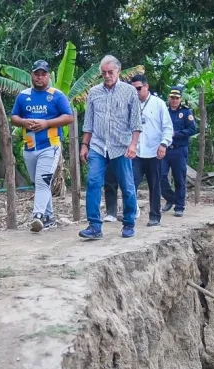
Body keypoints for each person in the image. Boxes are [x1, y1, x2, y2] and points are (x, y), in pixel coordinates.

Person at [78, 55, 142, 240]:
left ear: (118, 71)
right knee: (93, 182)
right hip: (98, 145)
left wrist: (133, 145)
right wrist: (84, 145)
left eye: (110, 72)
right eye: (104, 72)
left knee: (127, 186)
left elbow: (136, 123)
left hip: (121, 146)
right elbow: (88, 123)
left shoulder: (129, 92)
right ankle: (94, 226)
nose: (107, 75)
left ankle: (129, 223)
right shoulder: (94, 92)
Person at [10, 60, 74, 232]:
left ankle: (37, 216)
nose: (39, 77)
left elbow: (69, 117)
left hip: (50, 146)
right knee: (38, 183)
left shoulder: (57, 95)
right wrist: (24, 122)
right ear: (32, 75)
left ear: (48, 76)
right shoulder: (23, 96)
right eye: (36, 74)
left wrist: (46, 123)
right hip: (29, 147)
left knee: (42, 180)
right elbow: (14, 117)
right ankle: (49, 217)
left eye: (43, 74)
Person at [102, 75, 173, 226]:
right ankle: (131, 212)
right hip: (135, 152)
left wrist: (164, 144)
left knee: (154, 185)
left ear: (146, 87)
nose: (135, 91)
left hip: (154, 151)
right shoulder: (127, 104)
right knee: (129, 184)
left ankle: (154, 216)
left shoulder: (158, 104)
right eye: (133, 89)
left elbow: (167, 127)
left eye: (138, 88)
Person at [161, 86, 197, 216]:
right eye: (172, 98)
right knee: (160, 175)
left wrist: (175, 134)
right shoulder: (164, 110)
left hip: (179, 149)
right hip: (164, 149)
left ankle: (179, 207)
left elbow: (192, 130)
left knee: (179, 178)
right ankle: (170, 198)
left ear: (180, 99)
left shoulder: (186, 112)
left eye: (176, 98)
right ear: (169, 98)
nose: (174, 100)